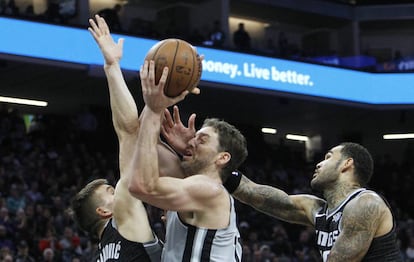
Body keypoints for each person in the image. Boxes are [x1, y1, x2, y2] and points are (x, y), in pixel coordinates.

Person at [127, 60, 248, 261]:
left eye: (202, 139)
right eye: (194, 137)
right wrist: (160, 101)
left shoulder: (210, 191)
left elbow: (141, 185)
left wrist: (155, 108)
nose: (192, 141)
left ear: (222, 157)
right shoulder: (191, 184)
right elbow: (144, 140)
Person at [70, 15, 169, 261]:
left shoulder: (99, 257)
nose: (121, 191)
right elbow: (128, 133)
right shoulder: (122, 221)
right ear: (104, 211)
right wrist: (112, 66)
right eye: (111, 191)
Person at [224, 142, 402, 261]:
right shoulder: (319, 209)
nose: (318, 164)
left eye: (328, 157)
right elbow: (254, 194)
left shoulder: (365, 203)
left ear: (346, 164)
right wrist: (218, 167)